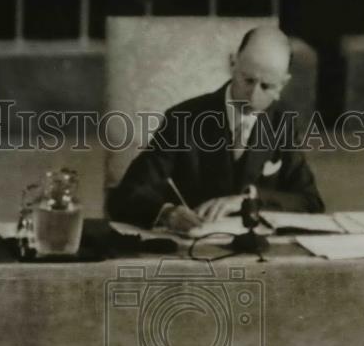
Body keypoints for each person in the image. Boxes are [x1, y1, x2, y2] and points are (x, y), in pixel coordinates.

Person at [107, 26, 324, 232]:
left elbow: (310, 201)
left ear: (283, 84)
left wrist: (249, 200)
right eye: (248, 80)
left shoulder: (282, 122)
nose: (253, 96)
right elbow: (125, 195)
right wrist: (167, 213)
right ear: (232, 64)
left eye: (267, 86)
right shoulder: (183, 119)